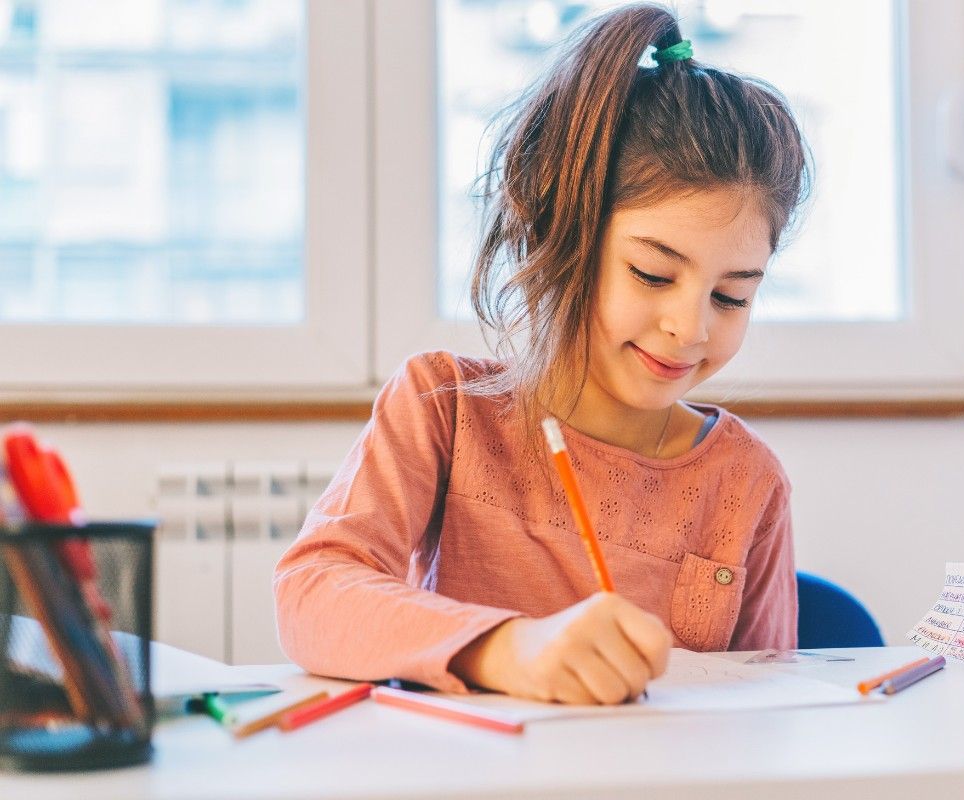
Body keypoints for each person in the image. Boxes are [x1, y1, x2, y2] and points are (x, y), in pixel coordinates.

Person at [275, 2, 811, 706]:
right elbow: (314, 592)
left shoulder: (748, 484)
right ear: (561, 236)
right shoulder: (444, 410)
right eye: (652, 275)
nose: (691, 327)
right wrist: (508, 647)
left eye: (733, 296)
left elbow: (773, 715)